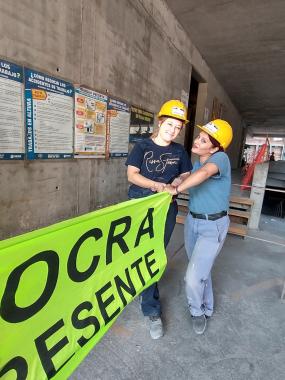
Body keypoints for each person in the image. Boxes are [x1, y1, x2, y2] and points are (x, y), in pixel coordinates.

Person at [125, 99, 192, 339]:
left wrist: (175, 184)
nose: (173, 130)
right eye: (170, 124)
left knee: (154, 255)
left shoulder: (179, 151)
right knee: (134, 253)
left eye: (178, 127)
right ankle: (134, 288)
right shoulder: (142, 147)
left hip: (166, 210)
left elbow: (185, 173)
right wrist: (156, 185)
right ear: (160, 122)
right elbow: (132, 175)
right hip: (138, 207)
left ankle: (151, 308)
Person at [164, 119, 233, 335]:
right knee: (201, 270)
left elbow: (203, 175)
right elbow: (191, 175)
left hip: (213, 225)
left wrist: (177, 190)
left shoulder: (220, 158)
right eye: (198, 137)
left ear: (214, 147)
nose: (197, 141)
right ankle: (208, 306)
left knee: (193, 277)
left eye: (204, 140)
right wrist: (171, 184)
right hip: (192, 222)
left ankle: (197, 312)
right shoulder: (196, 164)